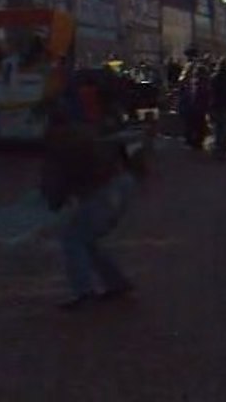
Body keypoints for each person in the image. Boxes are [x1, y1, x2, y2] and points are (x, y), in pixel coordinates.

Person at [41, 107, 148, 310]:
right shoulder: (83, 130)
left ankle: (84, 292)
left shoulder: (58, 141)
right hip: (120, 182)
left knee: (73, 239)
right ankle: (116, 283)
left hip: (102, 190)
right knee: (85, 239)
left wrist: (55, 201)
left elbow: (55, 178)